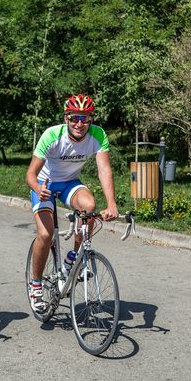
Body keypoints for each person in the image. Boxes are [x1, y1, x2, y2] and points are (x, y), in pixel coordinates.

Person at [24, 94, 119, 313]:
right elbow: (30, 174)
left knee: (89, 207)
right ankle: (36, 285)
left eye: (85, 119)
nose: (79, 124)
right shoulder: (52, 135)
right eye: (75, 118)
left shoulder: (98, 135)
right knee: (46, 235)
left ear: (91, 120)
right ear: (67, 117)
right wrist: (39, 189)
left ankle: (72, 259)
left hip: (69, 183)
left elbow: (104, 169)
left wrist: (112, 204)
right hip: (43, 183)